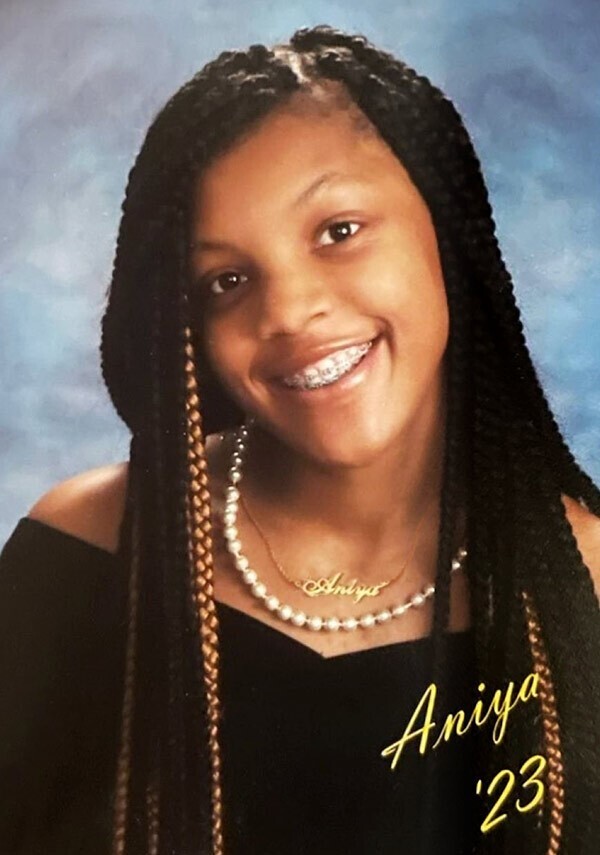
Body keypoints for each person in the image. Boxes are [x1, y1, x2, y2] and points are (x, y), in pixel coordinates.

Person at [1, 23, 599, 855]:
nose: (286, 313)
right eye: (228, 280)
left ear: (445, 231)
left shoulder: (584, 586)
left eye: (339, 231)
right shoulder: (85, 553)